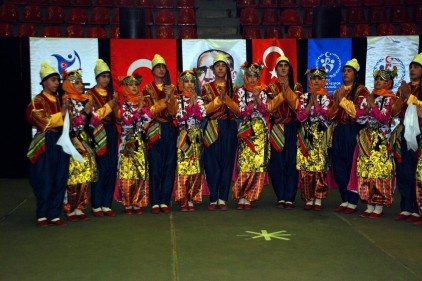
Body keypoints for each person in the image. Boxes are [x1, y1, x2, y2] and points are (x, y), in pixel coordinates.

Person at [26, 61, 70, 227]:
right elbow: (41, 121)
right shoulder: (38, 100)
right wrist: (63, 113)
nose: (56, 83)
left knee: (60, 177)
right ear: (44, 82)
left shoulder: (61, 100)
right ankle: (42, 214)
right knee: (45, 178)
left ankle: (54, 213)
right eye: (52, 79)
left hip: (61, 141)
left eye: (57, 80)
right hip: (46, 142)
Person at [328, 58, 370, 214]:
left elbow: (356, 114)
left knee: (351, 165)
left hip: (353, 130)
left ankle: (353, 200)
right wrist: (337, 103)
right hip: (339, 130)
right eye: (344, 71)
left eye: (349, 71)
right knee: (338, 165)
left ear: (355, 74)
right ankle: (344, 198)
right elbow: (331, 114)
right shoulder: (338, 90)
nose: (345, 73)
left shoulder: (361, 91)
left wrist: (342, 101)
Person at [356, 67, 397, 219]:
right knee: (365, 170)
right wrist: (366, 109)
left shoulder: (390, 99)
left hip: (381, 139)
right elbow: (359, 119)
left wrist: (373, 106)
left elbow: (384, 119)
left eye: (381, 79)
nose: (377, 81)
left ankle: (379, 205)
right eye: (376, 79)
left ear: (389, 82)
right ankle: (368, 204)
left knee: (379, 171)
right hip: (367, 137)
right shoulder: (368, 97)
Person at [201, 53, 239, 210]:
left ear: (228, 69)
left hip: (229, 127)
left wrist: (227, 99)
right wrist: (219, 99)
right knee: (211, 163)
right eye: (218, 66)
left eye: (223, 66)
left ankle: (223, 198)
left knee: (227, 163)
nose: (221, 68)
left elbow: (238, 111)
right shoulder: (206, 88)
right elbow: (205, 110)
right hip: (212, 127)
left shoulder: (234, 88)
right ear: (213, 69)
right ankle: (213, 198)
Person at [142, 54, 178, 214]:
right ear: (153, 70)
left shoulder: (171, 87)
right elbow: (149, 112)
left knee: (169, 165)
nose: (161, 69)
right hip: (155, 128)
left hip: (169, 129)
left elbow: (174, 112)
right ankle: (155, 201)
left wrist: (170, 98)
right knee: (155, 165)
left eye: (163, 67)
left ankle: (164, 200)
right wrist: (165, 99)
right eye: (158, 67)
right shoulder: (147, 89)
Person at [232, 62, 270, 210]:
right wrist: (252, 105)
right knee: (244, 163)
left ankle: (250, 196)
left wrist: (258, 99)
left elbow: (266, 111)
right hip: (246, 128)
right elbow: (239, 111)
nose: (252, 79)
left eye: (255, 76)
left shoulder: (264, 90)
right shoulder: (240, 91)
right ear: (245, 77)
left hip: (260, 129)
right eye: (249, 76)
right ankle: (240, 194)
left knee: (257, 164)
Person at [61, 69, 98, 222]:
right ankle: (69, 206)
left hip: (84, 139)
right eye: (77, 83)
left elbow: (94, 122)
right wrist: (84, 112)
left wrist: (92, 113)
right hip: (71, 140)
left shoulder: (85, 100)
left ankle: (80, 206)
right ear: (69, 84)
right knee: (72, 175)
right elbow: (69, 124)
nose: (81, 85)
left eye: (81, 82)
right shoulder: (66, 101)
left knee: (84, 174)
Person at [266, 55, 301, 209]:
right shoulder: (271, 87)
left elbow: (297, 106)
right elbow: (270, 108)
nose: (283, 68)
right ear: (276, 69)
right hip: (277, 128)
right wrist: (283, 94)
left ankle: (290, 197)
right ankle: (280, 196)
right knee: (277, 164)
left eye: (286, 66)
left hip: (292, 127)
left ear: (289, 69)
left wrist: (288, 91)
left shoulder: (297, 86)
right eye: (280, 66)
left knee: (291, 162)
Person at [85, 59, 119, 217]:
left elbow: (117, 117)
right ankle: (96, 204)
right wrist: (110, 105)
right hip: (98, 132)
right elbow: (92, 118)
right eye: (103, 76)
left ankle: (107, 203)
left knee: (112, 167)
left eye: (108, 76)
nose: (106, 79)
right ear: (97, 77)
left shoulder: (112, 94)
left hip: (111, 131)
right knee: (100, 167)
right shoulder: (89, 95)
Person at [391, 53, 422, 223]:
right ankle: (406, 207)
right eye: (411, 67)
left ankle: (418, 208)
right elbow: (394, 112)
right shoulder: (404, 87)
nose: (412, 69)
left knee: (418, 171)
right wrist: (403, 97)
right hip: (404, 132)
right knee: (404, 169)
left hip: (419, 133)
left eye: (416, 67)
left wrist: (410, 97)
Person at [296, 67, 332, 211]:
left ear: (323, 81)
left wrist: (316, 104)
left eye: (319, 79)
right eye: (313, 79)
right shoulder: (304, 97)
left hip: (321, 135)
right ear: (309, 80)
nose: (316, 81)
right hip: (306, 134)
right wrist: (310, 103)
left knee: (319, 168)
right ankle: (308, 197)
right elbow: (299, 117)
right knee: (306, 168)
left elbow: (327, 116)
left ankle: (318, 198)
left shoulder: (327, 98)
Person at [116, 74, 152, 215]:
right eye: (130, 85)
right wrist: (139, 110)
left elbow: (148, 118)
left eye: (136, 85)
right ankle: (127, 202)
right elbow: (126, 120)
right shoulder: (123, 104)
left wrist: (142, 128)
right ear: (125, 87)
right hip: (127, 141)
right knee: (127, 172)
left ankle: (138, 202)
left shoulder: (141, 103)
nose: (134, 87)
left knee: (139, 171)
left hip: (139, 140)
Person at [174, 70, 207, 211]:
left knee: (195, 166)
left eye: (192, 81)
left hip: (196, 134)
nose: (189, 84)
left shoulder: (199, 99)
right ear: (181, 84)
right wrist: (190, 106)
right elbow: (179, 116)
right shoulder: (177, 99)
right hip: (183, 134)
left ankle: (192, 198)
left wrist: (195, 103)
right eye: (186, 81)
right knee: (183, 167)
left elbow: (202, 115)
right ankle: (183, 198)